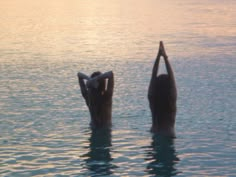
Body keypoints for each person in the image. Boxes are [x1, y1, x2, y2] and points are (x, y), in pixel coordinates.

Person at [148, 41, 177, 137]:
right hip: (168, 135)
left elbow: (153, 76)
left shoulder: (153, 100)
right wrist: (165, 57)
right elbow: (172, 78)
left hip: (155, 133)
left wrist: (158, 56)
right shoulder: (171, 101)